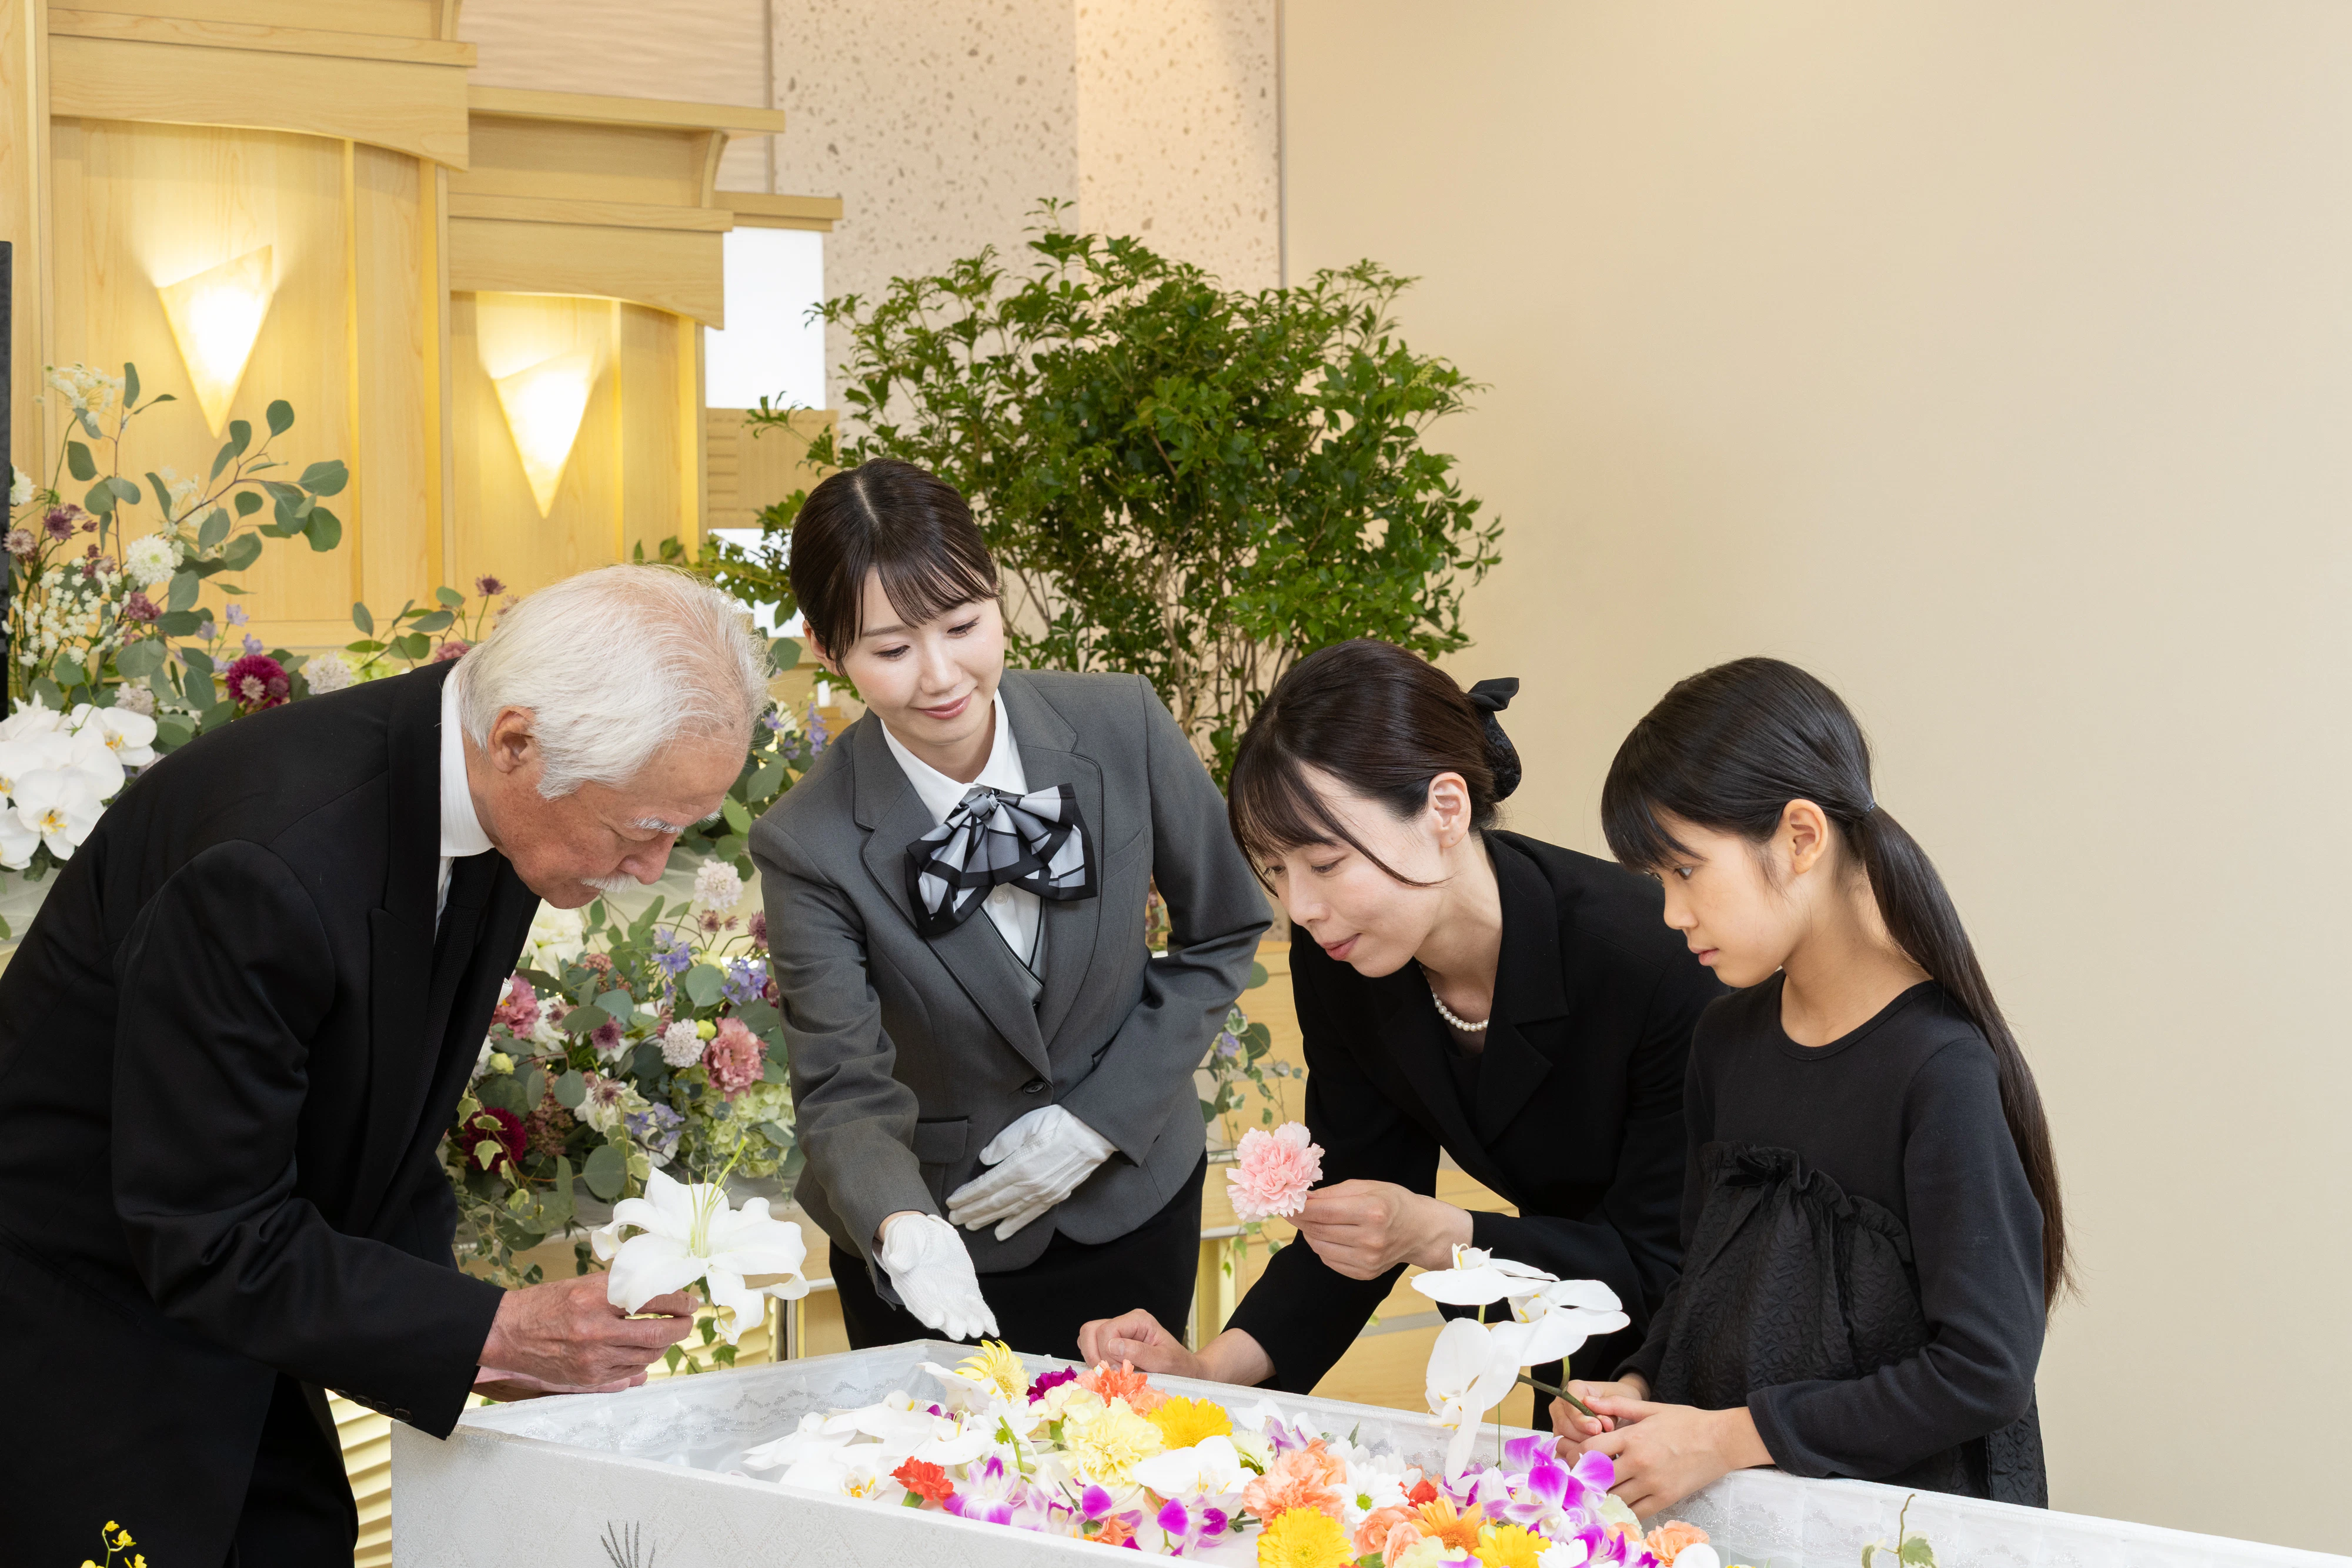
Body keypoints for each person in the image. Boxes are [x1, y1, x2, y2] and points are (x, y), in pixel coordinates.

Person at [0, 566, 770, 1566]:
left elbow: (382, 1128)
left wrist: (473, 1339)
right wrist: (488, 1332)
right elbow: (210, 1233)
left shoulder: (491, 802)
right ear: (518, 743)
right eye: (644, 828)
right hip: (85, 1346)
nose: (650, 869)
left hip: (249, 1320)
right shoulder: (267, 862)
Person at [1078, 638, 1721, 1395]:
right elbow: (1359, 1216)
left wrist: (1442, 1236)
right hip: (1573, 1353)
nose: (1302, 911)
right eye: (1276, 872)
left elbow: (1668, 1258)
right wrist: (1205, 1372)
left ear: (1444, 808)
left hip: (1709, 1356)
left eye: (1324, 863)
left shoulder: (1650, 957)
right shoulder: (1347, 958)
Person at [751, 459, 1269, 1358]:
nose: (942, 674)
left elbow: (1224, 927)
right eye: (890, 648)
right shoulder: (807, 840)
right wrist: (901, 1225)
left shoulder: (1123, 722)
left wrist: (1097, 1119)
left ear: (995, 596)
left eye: (964, 623)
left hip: (1133, 1195)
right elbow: (842, 1083)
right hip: (941, 1235)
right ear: (825, 649)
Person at [1553, 657, 2063, 1512]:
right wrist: (1635, 1388)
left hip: (1892, 1529)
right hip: (1733, 1519)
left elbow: (1985, 1373)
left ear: (1800, 836)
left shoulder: (1940, 1070)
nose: (1673, 913)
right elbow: (1703, 1283)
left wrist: (1723, 1436)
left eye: (1685, 870)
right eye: (1658, 882)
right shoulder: (1723, 1039)